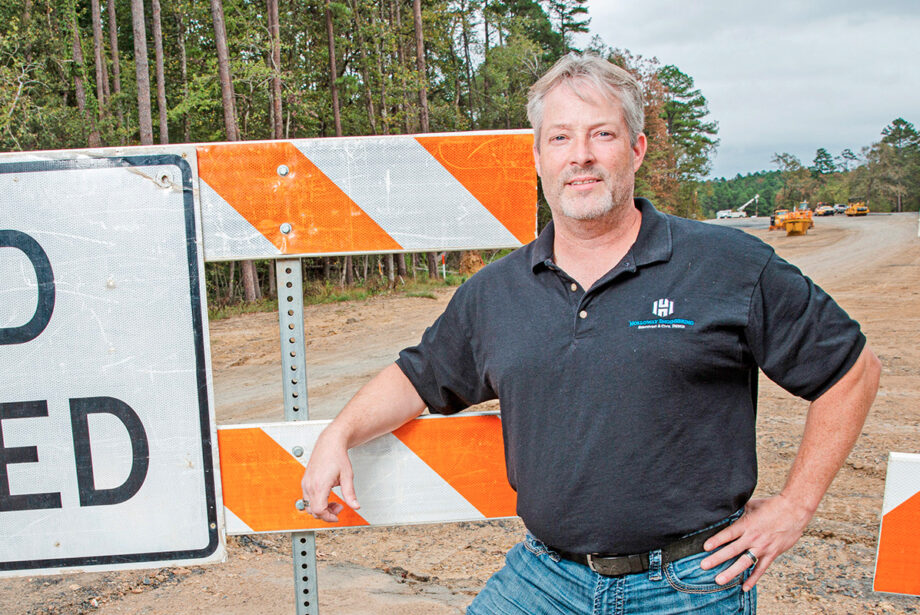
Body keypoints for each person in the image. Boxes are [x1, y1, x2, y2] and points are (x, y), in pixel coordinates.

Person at [301, 53, 880, 614]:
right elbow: (418, 376)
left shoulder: (728, 265)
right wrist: (339, 433)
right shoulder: (496, 292)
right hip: (544, 578)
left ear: (636, 148)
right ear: (538, 157)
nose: (580, 156)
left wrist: (796, 506)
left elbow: (851, 372)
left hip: (686, 584)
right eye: (560, 138)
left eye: (601, 134)